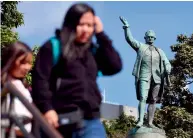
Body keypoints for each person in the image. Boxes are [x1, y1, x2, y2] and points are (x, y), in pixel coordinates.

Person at [32, 3, 122, 138]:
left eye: (90, 25)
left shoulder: (92, 51)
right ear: (71, 23)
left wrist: (101, 34)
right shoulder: (53, 46)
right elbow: (40, 80)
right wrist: (47, 109)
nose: (86, 29)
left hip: (91, 121)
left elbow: (114, 66)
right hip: (60, 120)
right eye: (81, 24)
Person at [119, 16, 171, 128]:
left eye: (152, 37)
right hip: (144, 76)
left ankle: (150, 122)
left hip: (157, 78)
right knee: (143, 98)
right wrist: (127, 27)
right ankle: (141, 120)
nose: (150, 38)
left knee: (153, 100)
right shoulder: (141, 47)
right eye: (149, 37)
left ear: (155, 38)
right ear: (145, 38)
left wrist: (168, 67)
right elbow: (130, 39)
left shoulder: (160, 51)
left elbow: (167, 62)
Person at [1, 41, 33, 138]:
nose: (28, 67)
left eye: (29, 63)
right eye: (23, 62)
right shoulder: (6, 86)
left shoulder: (22, 85)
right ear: (11, 60)